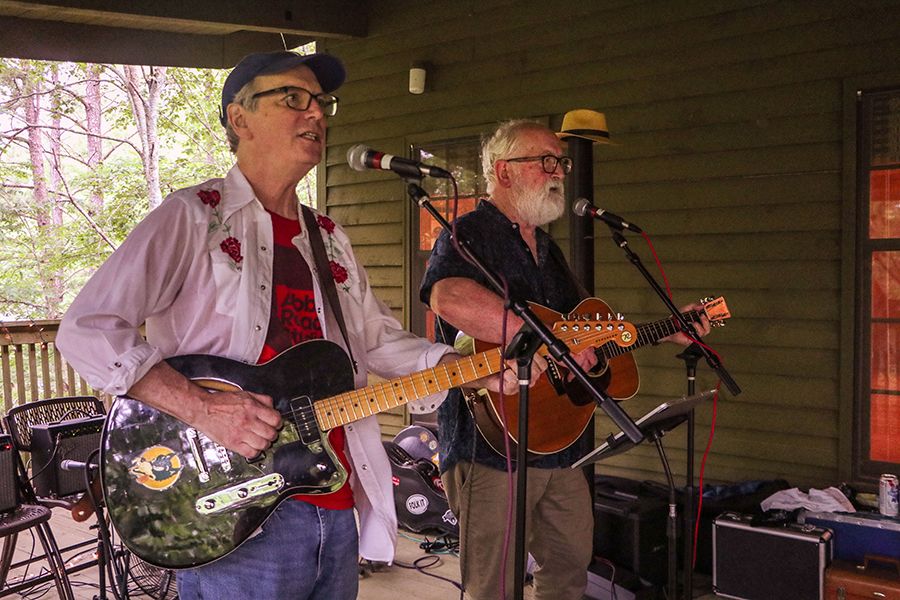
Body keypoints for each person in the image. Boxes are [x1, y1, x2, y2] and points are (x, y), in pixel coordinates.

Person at [57, 50, 473, 600]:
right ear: (239, 117)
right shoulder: (194, 216)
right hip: (233, 507)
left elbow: (373, 341)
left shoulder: (328, 237)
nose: (317, 115)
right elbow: (86, 329)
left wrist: (456, 366)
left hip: (335, 497)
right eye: (293, 99)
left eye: (322, 104)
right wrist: (203, 408)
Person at [419, 119, 711, 600]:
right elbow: (448, 296)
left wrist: (663, 331)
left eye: (562, 163)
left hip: (562, 442)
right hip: (494, 444)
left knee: (570, 565)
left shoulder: (548, 248)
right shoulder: (468, 233)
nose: (558, 173)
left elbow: (584, 339)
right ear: (503, 171)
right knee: (494, 584)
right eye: (545, 161)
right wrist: (547, 339)